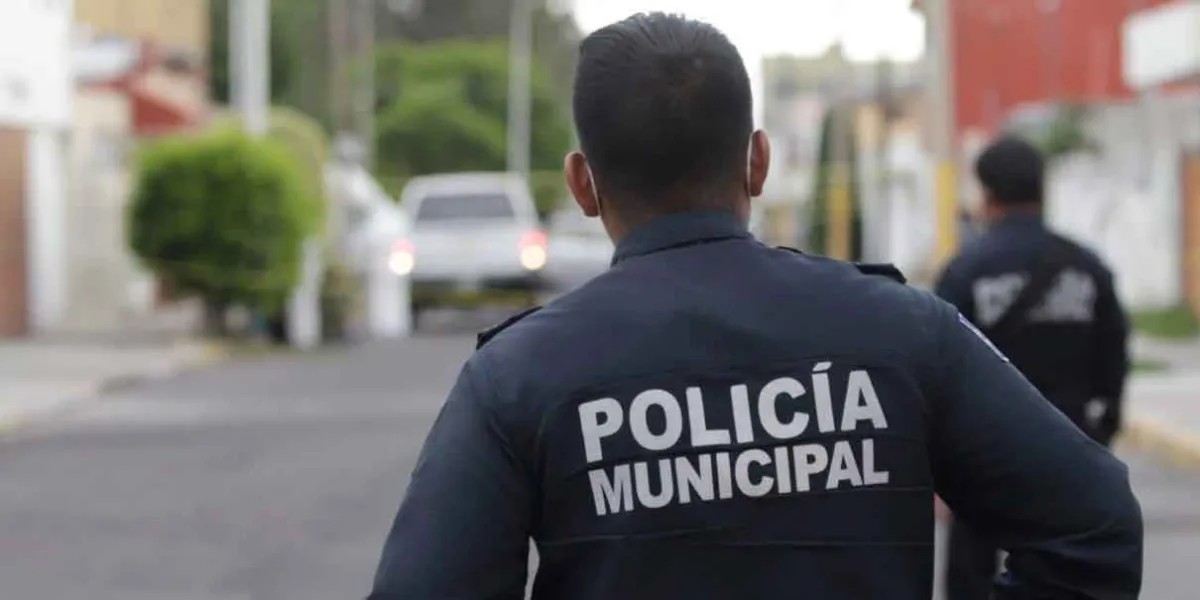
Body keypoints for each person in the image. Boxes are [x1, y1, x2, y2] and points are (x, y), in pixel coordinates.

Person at [367, 13, 1142, 600]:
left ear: (582, 183)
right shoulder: (902, 331)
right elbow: (1094, 526)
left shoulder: (517, 377)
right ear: (758, 161)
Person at [935, 135, 1133, 600]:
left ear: (985, 196)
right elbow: (1114, 353)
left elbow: (937, 368)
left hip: (982, 458)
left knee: (972, 582)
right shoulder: (1085, 267)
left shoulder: (966, 270)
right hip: (1071, 448)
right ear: (1043, 190)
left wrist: (937, 466)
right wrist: (1104, 432)